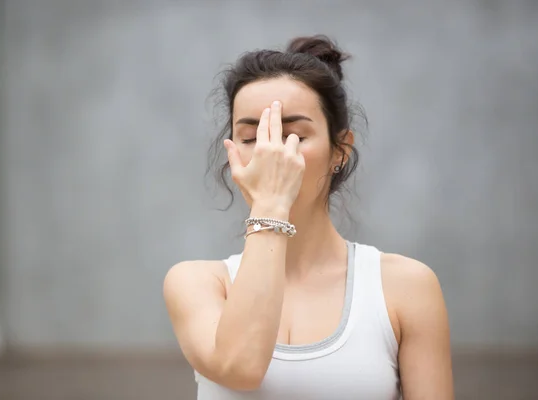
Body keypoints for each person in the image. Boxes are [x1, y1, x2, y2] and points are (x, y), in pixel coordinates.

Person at [163, 35, 454, 399]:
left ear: (340, 150)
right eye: (251, 137)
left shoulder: (406, 286)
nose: (273, 153)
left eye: (295, 135)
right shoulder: (197, 283)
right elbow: (240, 367)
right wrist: (271, 206)